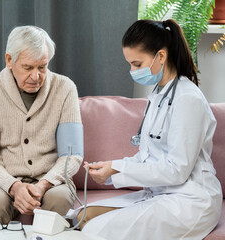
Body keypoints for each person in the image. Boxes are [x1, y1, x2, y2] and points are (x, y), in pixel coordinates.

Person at [75, 19, 222, 240]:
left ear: (160, 56)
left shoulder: (187, 99)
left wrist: (118, 168)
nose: (132, 71)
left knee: (94, 230)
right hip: (161, 194)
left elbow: (176, 170)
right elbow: (148, 157)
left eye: (137, 64)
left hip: (190, 201)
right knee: (81, 216)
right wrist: (111, 169)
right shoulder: (158, 95)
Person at [0, 25, 83, 226]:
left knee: (59, 198)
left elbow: (71, 155)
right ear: (9, 61)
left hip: (50, 179)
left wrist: (43, 185)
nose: (36, 76)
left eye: (42, 67)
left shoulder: (65, 88)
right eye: (27, 67)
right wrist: (14, 186)